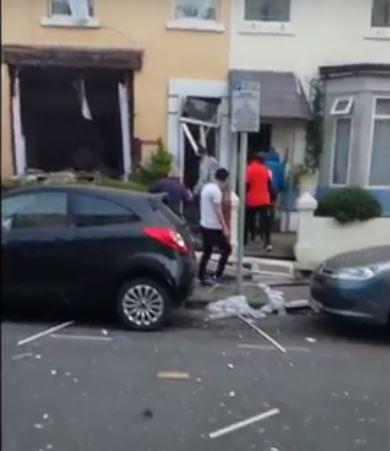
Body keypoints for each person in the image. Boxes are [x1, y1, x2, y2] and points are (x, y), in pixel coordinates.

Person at [198, 168, 232, 286]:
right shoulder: (217, 191)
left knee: (207, 251)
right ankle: (216, 275)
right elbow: (218, 211)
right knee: (226, 249)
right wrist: (225, 228)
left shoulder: (207, 187)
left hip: (204, 224)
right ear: (225, 179)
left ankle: (201, 276)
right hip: (213, 226)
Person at [245, 153, 275, 252]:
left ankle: (246, 239)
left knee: (248, 219)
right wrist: (272, 198)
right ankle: (267, 242)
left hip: (252, 199)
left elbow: (247, 185)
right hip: (264, 200)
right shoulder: (266, 170)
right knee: (265, 221)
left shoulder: (249, 169)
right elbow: (270, 185)